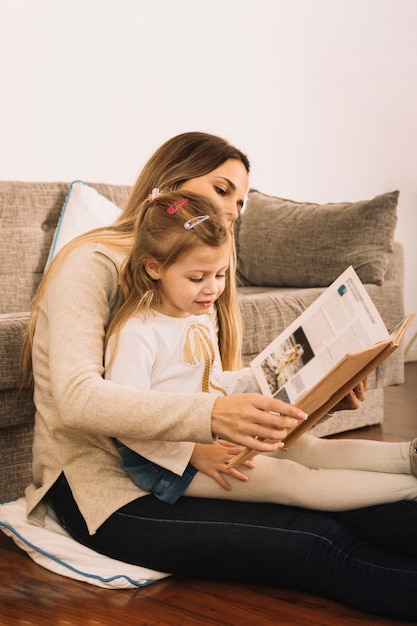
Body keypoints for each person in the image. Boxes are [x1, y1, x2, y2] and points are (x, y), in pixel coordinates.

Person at [21, 131, 417, 621]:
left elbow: (207, 386)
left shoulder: (199, 277)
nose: (233, 210)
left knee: (375, 512)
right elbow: (79, 398)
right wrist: (209, 418)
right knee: (318, 540)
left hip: (188, 455)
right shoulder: (93, 263)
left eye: (241, 201)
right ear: (173, 184)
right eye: (223, 189)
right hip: (105, 486)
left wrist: (319, 394)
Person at [105, 188, 417, 512]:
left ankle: (409, 456)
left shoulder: (196, 314)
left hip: (209, 431)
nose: (213, 288)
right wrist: (192, 453)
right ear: (154, 268)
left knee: (306, 447)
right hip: (163, 461)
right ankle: (410, 490)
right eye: (198, 277)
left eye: (220, 274)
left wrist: (260, 379)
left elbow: (211, 384)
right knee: (290, 477)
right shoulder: (136, 332)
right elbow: (125, 420)